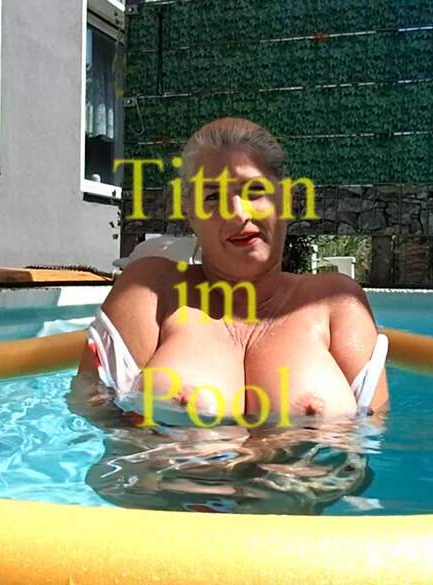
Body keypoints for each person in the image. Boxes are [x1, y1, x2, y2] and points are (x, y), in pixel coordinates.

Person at [79, 117, 388, 426]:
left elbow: (372, 436)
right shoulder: (150, 294)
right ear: (191, 214)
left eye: (255, 191)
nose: (238, 213)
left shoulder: (338, 304)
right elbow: (94, 417)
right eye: (213, 197)